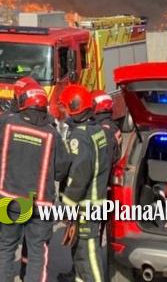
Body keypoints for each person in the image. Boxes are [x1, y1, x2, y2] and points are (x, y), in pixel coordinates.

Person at [0, 80, 69, 282]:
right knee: (37, 255)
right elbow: (62, 170)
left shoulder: (8, 123)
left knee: (4, 249)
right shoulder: (52, 133)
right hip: (40, 204)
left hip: (8, 199)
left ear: (22, 102)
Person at [58, 85, 117, 282]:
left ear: (74, 107)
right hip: (96, 201)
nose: (63, 112)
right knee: (80, 256)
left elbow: (79, 176)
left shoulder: (79, 137)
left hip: (86, 206)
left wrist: (67, 204)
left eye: (66, 108)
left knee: (88, 255)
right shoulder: (96, 130)